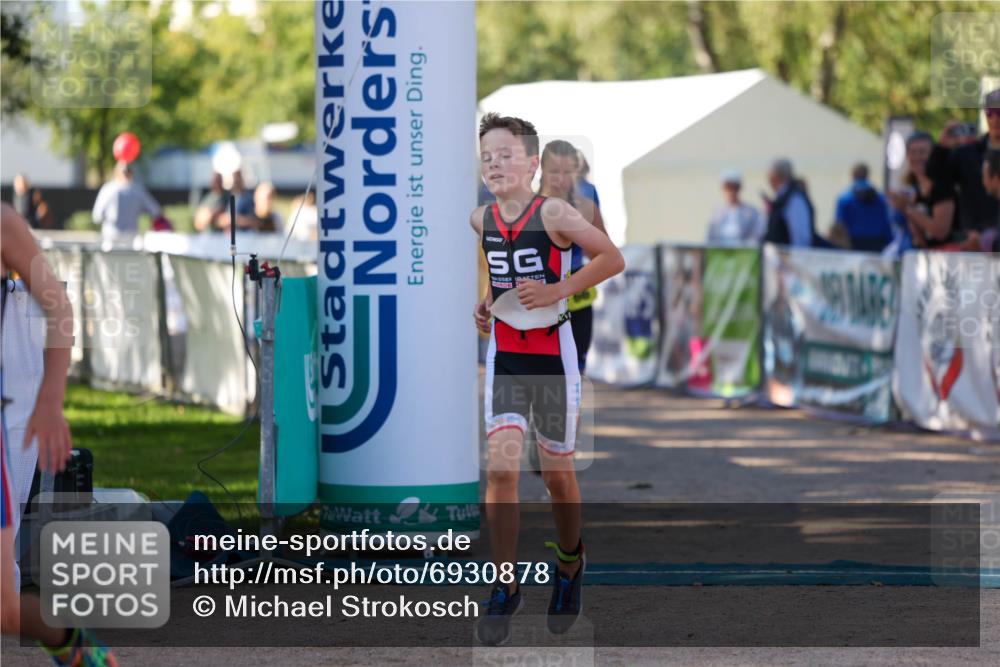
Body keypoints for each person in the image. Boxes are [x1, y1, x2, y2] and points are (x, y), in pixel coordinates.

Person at [471, 113, 624, 646]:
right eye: (486, 155)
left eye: (506, 154)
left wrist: (559, 290)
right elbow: (497, 268)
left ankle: (569, 562)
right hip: (506, 355)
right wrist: (487, 303)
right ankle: (504, 585)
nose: (494, 163)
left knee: (558, 475)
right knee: (502, 471)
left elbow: (612, 257)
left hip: (552, 356)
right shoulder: (481, 219)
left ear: (532, 165)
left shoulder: (555, 211)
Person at [1, 203, 118, 666]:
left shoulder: (4, 224)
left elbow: (58, 306)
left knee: (6, 611)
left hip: (7, 419)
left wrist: (51, 401)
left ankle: (72, 643)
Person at [539, 140, 608, 372]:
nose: (561, 179)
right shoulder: (525, 206)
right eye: (554, 172)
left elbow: (607, 256)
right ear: (541, 170)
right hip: (537, 303)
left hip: (576, 301)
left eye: (568, 172)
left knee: (573, 376)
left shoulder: (585, 206)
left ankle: (573, 408)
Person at [937, 89, 1000, 235]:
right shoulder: (967, 153)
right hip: (972, 243)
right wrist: (941, 149)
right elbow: (938, 186)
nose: (996, 119)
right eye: (991, 112)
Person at [887, 132, 956, 249]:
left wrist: (908, 209)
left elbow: (940, 232)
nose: (917, 157)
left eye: (922, 152)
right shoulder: (912, 188)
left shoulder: (942, 186)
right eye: (913, 152)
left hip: (948, 258)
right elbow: (921, 239)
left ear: (933, 155)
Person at [92, 161, 161, 247]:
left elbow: (97, 216)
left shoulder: (108, 189)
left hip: (112, 236)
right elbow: (155, 211)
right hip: (129, 237)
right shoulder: (138, 190)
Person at [834, 163, 893, 252]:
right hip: (877, 242)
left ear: (853, 175)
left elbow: (839, 224)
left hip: (853, 243)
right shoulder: (881, 198)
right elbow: (887, 222)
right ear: (867, 175)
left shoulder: (845, 198)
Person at [763, 158, 819, 247]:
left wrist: (796, 259)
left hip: (793, 258)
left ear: (775, 176)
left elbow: (801, 238)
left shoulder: (794, 199)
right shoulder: (782, 198)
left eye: (769, 174)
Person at [706, 170, 764, 246]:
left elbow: (757, 236)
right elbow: (709, 237)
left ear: (739, 188)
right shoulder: (717, 213)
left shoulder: (751, 212)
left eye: (735, 187)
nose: (731, 191)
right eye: (728, 187)